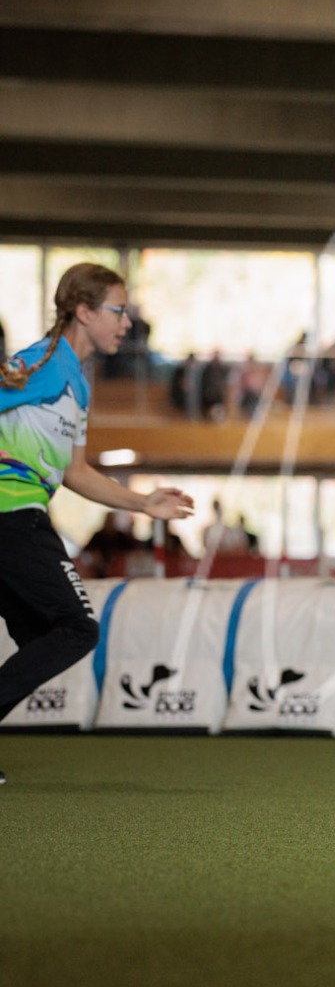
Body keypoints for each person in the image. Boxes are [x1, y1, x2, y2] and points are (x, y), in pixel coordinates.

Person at [0, 263, 194, 778]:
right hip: (11, 517)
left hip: (20, 517)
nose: (127, 324)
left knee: (41, 635)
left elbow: (75, 472)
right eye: (118, 311)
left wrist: (144, 504)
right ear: (85, 312)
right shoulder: (38, 365)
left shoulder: (78, 386)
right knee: (77, 628)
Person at [199, 350, 230, 421]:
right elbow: (204, 382)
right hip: (209, 395)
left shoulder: (223, 369)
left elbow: (225, 383)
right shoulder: (207, 370)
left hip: (219, 395)